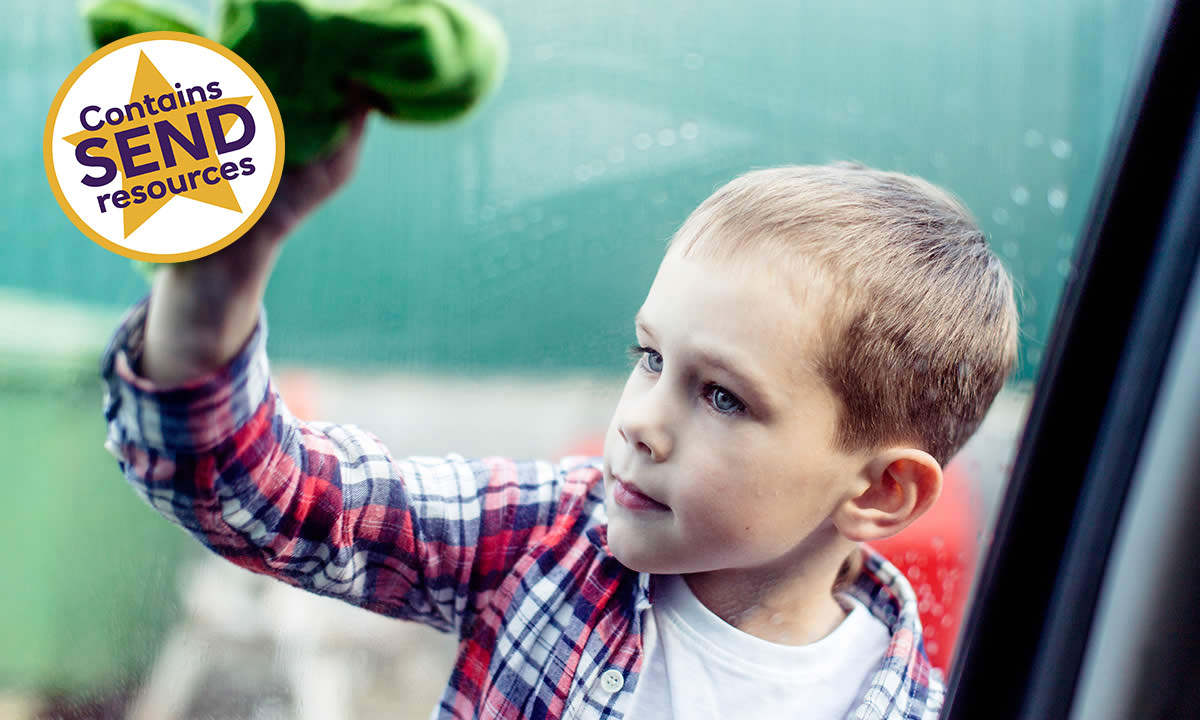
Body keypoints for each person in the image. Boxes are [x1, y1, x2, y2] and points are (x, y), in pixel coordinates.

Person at [100, 103, 1018, 719]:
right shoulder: (550, 547)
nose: (640, 422)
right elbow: (273, 496)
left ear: (883, 491)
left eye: (722, 396)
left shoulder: (909, 702)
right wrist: (220, 277)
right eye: (649, 358)